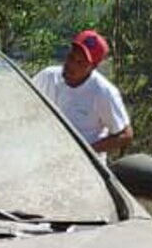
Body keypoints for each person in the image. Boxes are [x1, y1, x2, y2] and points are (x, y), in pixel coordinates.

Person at [33, 28, 133, 156]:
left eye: (80, 62)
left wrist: (86, 151)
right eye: (71, 57)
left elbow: (126, 134)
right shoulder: (48, 77)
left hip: (84, 167)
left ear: (92, 67)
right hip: (45, 156)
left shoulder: (103, 92)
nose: (71, 64)